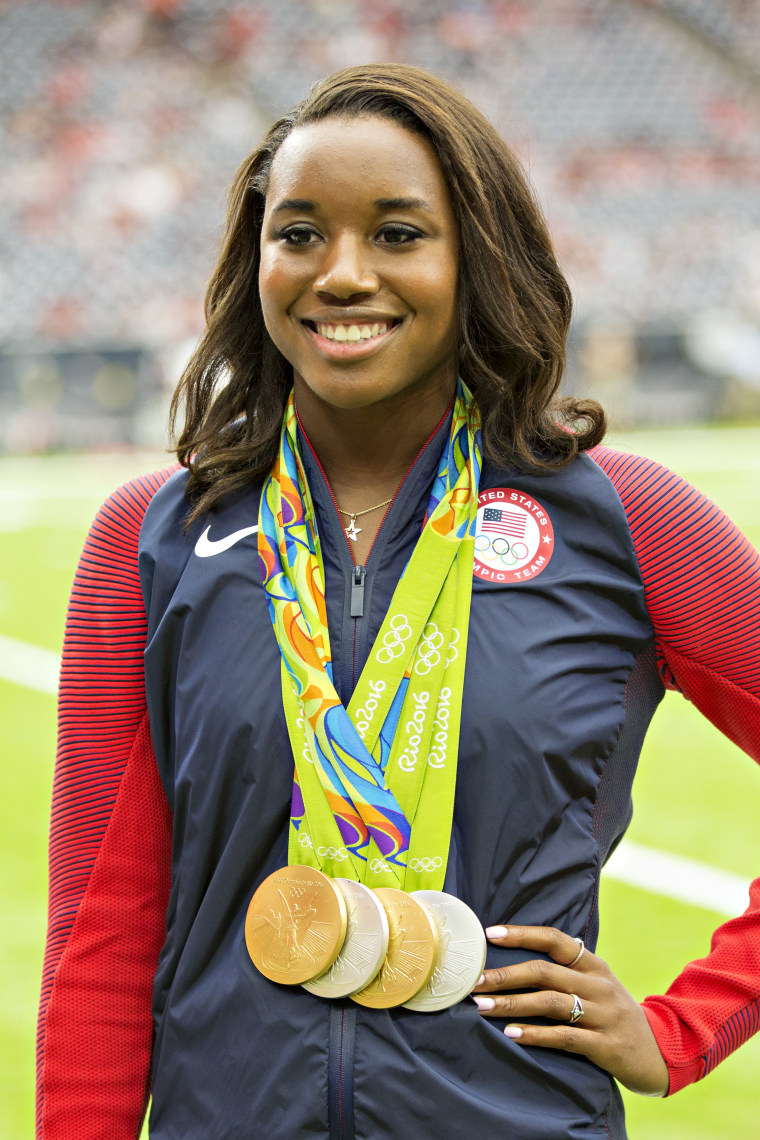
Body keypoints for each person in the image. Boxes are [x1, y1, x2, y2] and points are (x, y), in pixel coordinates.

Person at [37, 63, 760, 1140]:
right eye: (299, 234)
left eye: (396, 233)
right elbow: (100, 928)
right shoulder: (152, 541)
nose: (341, 274)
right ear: (256, 262)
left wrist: (686, 1024)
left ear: (475, 257)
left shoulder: (624, 520)